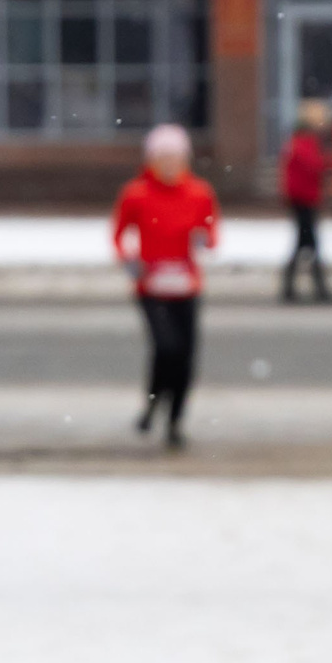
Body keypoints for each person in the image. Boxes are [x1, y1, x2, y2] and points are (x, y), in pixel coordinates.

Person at [112, 122, 219, 449]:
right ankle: (152, 403)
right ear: (152, 160)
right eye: (163, 158)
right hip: (152, 287)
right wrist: (129, 260)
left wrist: (203, 240)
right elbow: (119, 234)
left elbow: (211, 233)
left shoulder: (199, 193)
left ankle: (174, 421)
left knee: (186, 357)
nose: (170, 165)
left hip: (186, 286)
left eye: (176, 157)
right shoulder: (136, 193)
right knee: (165, 348)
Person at [280, 100, 331, 302]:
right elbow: (314, 165)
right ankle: (318, 288)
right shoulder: (304, 142)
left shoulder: (297, 141)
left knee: (305, 243)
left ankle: (296, 287)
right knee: (308, 243)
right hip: (304, 200)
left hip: (302, 199)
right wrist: (329, 161)